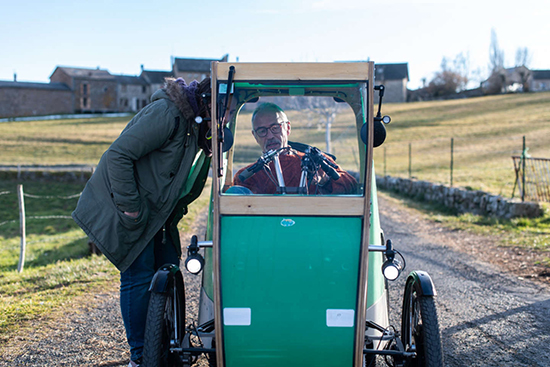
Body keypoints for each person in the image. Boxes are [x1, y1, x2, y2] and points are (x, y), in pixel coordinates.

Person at [72, 77, 212, 367]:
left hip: (157, 216)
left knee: (169, 268)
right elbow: (118, 155)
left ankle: (161, 349)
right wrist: (132, 209)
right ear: (207, 100)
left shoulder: (197, 129)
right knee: (139, 276)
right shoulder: (168, 114)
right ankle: (141, 357)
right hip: (128, 208)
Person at [233, 103, 357, 194]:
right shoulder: (247, 176)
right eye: (262, 131)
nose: (270, 136)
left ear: (287, 128)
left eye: (275, 128)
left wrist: (325, 180)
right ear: (255, 136)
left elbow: (351, 187)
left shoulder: (316, 161)